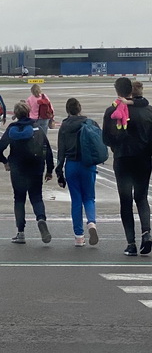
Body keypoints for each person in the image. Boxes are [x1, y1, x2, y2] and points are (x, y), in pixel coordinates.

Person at [102, 77, 152, 256]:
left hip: (123, 159)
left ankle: (131, 243)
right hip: (143, 159)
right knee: (141, 197)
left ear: (117, 91)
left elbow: (106, 139)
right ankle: (146, 233)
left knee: (125, 201)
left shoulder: (112, 111)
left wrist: (117, 143)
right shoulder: (148, 111)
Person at [0, 101, 54, 244]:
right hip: (36, 167)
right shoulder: (36, 128)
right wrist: (50, 170)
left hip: (17, 169)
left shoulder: (12, 129)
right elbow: (47, 150)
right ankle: (41, 218)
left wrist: (5, 161)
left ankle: (21, 232)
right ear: (29, 112)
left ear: (16, 114)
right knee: (36, 197)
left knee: (19, 199)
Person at [55, 97, 99, 247]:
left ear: (68, 111)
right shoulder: (90, 123)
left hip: (71, 165)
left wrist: (59, 172)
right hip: (88, 164)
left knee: (76, 200)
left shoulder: (64, 126)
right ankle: (92, 223)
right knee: (89, 197)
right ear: (80, 109)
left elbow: (61, 152)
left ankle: (79, 236)